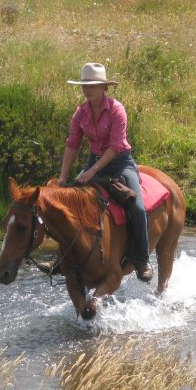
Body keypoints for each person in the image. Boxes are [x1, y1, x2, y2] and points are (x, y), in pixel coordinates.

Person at [58, 62, 153, 282]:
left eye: (92, 85)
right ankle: (62, 258)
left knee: (137, 207)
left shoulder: (117, 110)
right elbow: (72, 144)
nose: (87, 89)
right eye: (84, 85)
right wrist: (63, 177)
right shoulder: (80, 113)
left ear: (104, 88)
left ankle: (141, 259)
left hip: (120, 162)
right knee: (68, 202)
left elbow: (115, 146)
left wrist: (91, 172)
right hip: (94, 160)